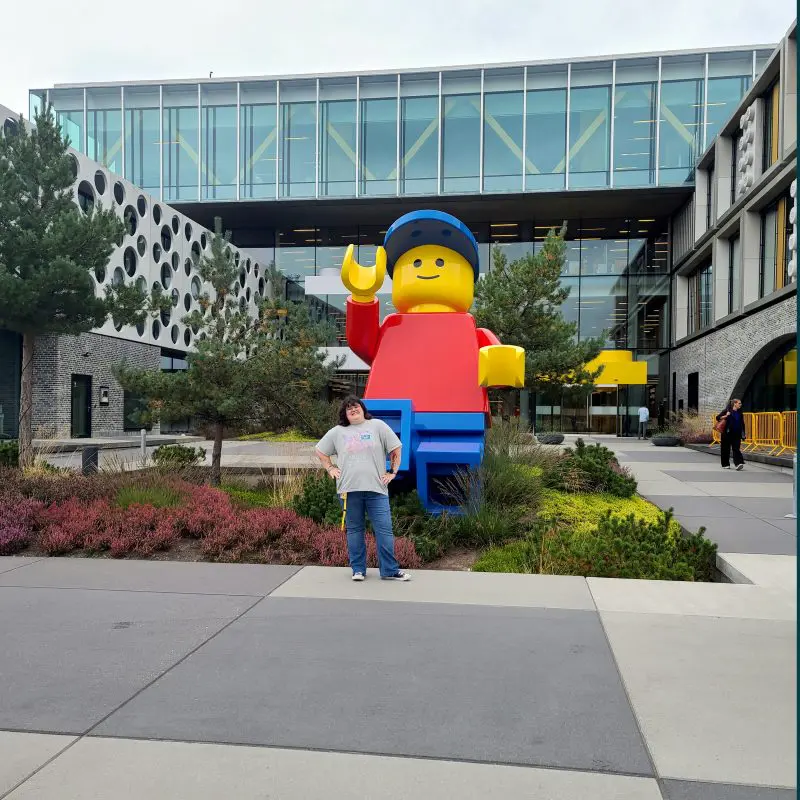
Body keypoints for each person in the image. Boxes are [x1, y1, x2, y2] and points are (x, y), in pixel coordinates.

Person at [316, 395, 411, 582]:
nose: (352, 409)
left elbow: (396, 449)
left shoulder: (378, 426)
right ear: (345, 414)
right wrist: (330, 468)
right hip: (348, 490)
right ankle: (358, 570)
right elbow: (320, 451)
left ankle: (390, 570)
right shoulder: (337, 432)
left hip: (377, 489)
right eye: (348, 408)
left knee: (384, 531)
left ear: (362, 408)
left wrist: (392, 472)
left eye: (355, 406)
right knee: (354, 530)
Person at [716, 398, 746, 470]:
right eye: (739, 403)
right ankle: (725, 464)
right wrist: (726, 416)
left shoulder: (740, 412)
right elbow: (718, 418)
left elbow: (742, 423)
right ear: (735, 404)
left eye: (740, 403)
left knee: (736, 449)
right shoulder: (727, 411)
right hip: (727, 433)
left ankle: (738, 463)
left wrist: (743, 433)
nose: (740, 405)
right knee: (725, 449)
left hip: (737, 433)